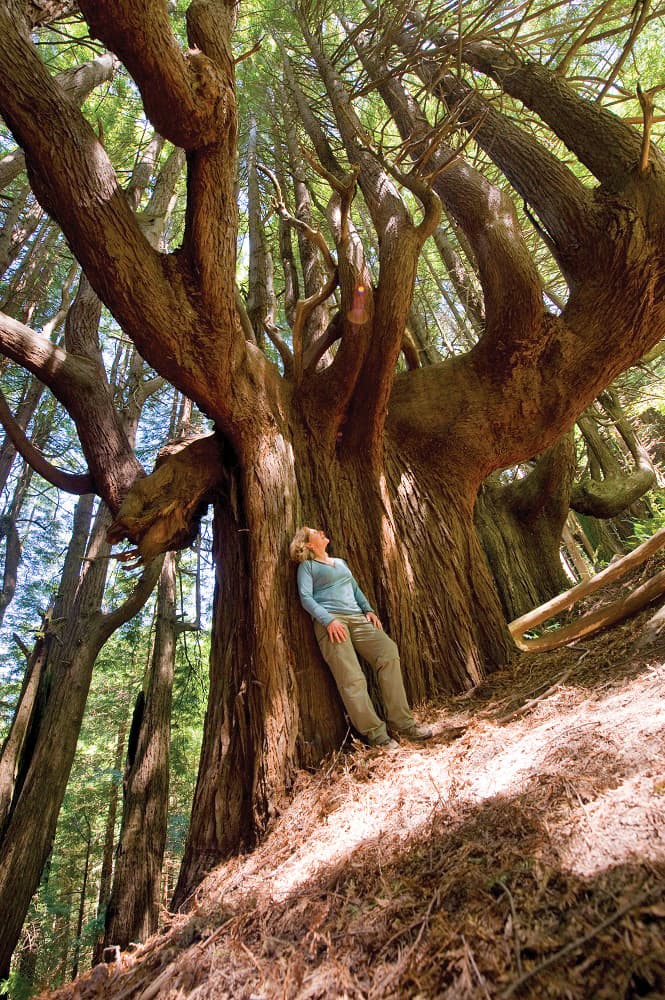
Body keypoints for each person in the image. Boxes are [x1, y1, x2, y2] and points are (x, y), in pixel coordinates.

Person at [290, 526, 433, 750]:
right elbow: (306, 597)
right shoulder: (307, 567)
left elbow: (355, 589)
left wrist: (369, 610)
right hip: (332, 623)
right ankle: (377, 735)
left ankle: (403, 723)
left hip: (357, 618)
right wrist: (328, 620)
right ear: (308, 544)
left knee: (388, 652)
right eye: (314, 532)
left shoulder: (340, 562)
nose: (320, 532)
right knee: (352, 678)